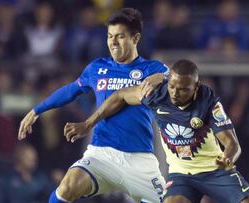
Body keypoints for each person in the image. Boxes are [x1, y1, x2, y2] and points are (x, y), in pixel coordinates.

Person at [18, 8, 168, 203]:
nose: (113, 42)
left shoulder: (151, 68)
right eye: (110, 36)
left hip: (139, 159)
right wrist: (37, 110)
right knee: (67, 187)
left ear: (136, 38)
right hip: (101, 154)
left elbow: (181, 78)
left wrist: (163, 76)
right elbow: (71, 90)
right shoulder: (97, 68)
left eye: (120, 36)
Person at [65, 59, 249, 203]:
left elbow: (232, 143)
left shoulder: (208, 101)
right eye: (172, 87)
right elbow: (120, 96)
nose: (175, 93)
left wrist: (228, 159)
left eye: (183, 89)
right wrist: (87, 124)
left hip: (214, 171)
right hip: (181, 175)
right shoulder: (157, 94)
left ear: (196, 87)